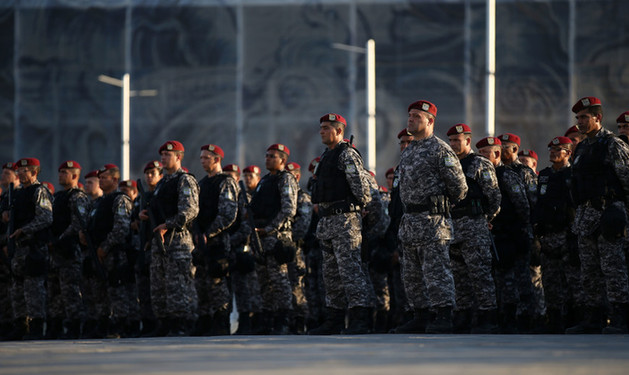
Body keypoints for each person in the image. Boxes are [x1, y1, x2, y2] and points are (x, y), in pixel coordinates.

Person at [396, 101, 468, 334]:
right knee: (412, 275)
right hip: (410, 221)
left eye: (417, 116)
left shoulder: (440, 149)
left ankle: (444, 315)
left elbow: (459, 188)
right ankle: (420, 315)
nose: (411, 119)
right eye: (410, 115)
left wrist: (440, 204)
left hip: (432, 221)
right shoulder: (408, 151)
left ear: (430, 121)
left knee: (437, 272)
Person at [567, 97, 629, 334]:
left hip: (608, 213)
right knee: (589, 269)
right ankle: (594, 317)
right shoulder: (582, 146)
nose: (580, 122)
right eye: (578, 118)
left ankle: (621, 318)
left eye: (585, 117)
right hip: (585, 216)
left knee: (613, 268)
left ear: (598, 118)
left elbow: (626, 180)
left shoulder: (613, 144)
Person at [308, 113, 375, 335]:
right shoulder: (327, 156)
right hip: (327, 222)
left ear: (338, 131)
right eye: (321, 127)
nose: (321, 131)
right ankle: (334, 319)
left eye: (326, 127)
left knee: (350, 272)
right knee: (331, 275)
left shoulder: (346, 155)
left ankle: (360, 318)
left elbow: (362, 189)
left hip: (345, 221)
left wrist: (357, 209)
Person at [141, 140, 199, 337]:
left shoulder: (185, 180)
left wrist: (168, 225)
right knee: (160, 285)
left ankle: (183, 323)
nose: (163, 158)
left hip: (177, 240)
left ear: (178, 157)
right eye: (162, 154)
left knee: (179, 285)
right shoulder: (163, 183)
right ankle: (165, 322)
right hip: (160, 240)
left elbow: (190, 210)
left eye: (168, 154)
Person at [446, 124, 500, 334]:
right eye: (450, 141)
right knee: (458, 277)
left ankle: (489, 317)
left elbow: (494, 197)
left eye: (456, 140)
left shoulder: (479, 164)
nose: (452, 145)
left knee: (480, 274)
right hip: (454, 226)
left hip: (474, 224)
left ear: (467, 141)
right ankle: (463, 317)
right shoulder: (449, 164)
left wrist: (485, 217)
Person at [477, 136, 530, 333]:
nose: (481, 157)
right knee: (500, 281)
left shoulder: (506, 175)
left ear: (497, 154)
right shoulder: (484, 175)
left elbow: (522, 205)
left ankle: (521, 320)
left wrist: (522, 231)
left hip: (512, 235)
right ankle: (503, 318)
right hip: (495, 236)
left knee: (518, 281)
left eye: (485, 153)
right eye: (479, 153)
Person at [533, 136, 583, 333]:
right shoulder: (544, 175)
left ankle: (576, 318)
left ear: (568, 153)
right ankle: (553, 321)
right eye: (551, 150)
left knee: (572, 280)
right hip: (548, 235)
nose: (553, 153)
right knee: (550, 281)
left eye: (558, 150)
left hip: (567, 233)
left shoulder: (573, 175)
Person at [248, 144, 298, 334]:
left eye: (272, 156)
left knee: (279, 281)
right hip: (260, 238)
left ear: (283, 160)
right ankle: (267, 319)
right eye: (267, 155)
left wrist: (268, 229)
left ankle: (283, 320)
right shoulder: (264, 181)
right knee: (264, 281)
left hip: (275, 237)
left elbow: (288, 210)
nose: (267, 158)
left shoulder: (285, 179)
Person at [2, 158, 53, 340]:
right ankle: (21, 325)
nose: (20, 174)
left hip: (33, 247)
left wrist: (24, 230)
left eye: (24, 171)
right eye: (19, 171)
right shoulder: (16, 194)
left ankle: (37, 327)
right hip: (19, 248)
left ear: (34, 172)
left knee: (34, 289)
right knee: (17, 289)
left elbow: (46, 218)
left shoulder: (39, 191)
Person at [82, 164, 133, 338]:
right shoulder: (98, 202)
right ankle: (103, 324)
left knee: (117, 290)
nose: (101, 180)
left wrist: (105, 247)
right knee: (99, 292)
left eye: (104, 177)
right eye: (100, 177)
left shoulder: (120, 199)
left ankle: (122, 326)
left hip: (113, 253)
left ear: (115, 180)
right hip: (96, 253)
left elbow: (121, 228)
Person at [192, 144, 238, 336]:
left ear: (217, 159)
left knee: (218, 285)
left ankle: (221, 323)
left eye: (206, 158)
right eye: (201, 158)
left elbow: (228, 214)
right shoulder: (202, 184)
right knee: (201, 285)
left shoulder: (225, 182)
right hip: (201, 241)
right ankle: (204, 322)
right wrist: (196, 233)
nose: (202, 161)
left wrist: (209, 233)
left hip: (218, 241)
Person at [46, 161, 89, 339]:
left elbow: (78, 223)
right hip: (56, 252)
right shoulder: (59, 197)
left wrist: (60, 239)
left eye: (65, 172)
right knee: (55, 292)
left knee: (70, 291)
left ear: (74, 176)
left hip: (70, 251)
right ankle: (55, 326)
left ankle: (74, 326)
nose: (60, 175)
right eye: (60, 172)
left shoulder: (78, 197)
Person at [230, 164, 264, 334]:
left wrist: (231, 240)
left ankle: (257, 321)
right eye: (245, 176)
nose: (248, 178)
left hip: (251, 247)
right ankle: (244, 321)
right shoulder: (238, 197)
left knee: (254, 287)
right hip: (237, 248)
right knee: (240, 287)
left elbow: (247, 226)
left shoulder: (256, 197)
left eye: (251, 175)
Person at [134, 161, 162, 336]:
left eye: (153, 173)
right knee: (145, 289)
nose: (149, 176)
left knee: (159, 287)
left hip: (157, 245)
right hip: (143, 246)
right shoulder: (142, 198)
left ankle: (161, 323)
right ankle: (148, 323)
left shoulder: (161, 196)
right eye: (147, 173)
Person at [286, 161, 312, 334]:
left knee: (297, 286)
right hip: (284, 247)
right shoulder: (285, 196)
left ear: (297, 176)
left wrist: (291, 239)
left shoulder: (302, 197)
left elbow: (303, 223)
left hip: (295, 248)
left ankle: (300, 321)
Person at [0, 163, 17, 339]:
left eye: (7, 173)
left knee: (16, 289)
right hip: (4, 247)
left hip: (13, 248)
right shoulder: (5, 196)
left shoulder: (17, 195)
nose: (3, 176)